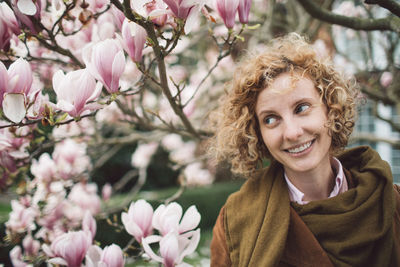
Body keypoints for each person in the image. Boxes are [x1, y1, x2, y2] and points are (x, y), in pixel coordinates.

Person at [209, 33, 400, 267]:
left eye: (301, 108)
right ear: (257, 135)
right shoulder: (235, 221)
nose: (292, 132)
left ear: (330, 109)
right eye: (270, 119)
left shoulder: (391, 203)